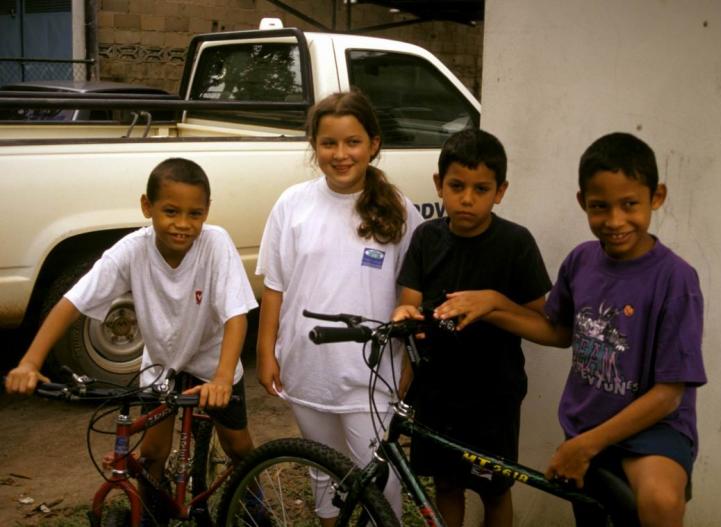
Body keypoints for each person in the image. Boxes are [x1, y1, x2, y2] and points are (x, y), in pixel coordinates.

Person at [434, 132, 707, 527]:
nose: (615, 221)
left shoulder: (676, 279)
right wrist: (493, 303)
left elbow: (668, 396)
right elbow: (558, 332)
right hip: (587, 423)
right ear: (582, 202)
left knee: (661, 502)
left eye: (629, 204)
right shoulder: (581, 261)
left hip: (651, 431)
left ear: (657, 197)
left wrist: (584, 447)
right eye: (600, 207)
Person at [4, 158, 259, 526]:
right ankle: (154, 515)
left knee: (239, 447)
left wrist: (222, 378)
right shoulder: (131, 250)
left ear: (207, 212)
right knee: (153, 453)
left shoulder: (215, 243)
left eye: (195, 213)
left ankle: (256, 503)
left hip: (212, 362)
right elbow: (72, 302)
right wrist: (30, 361)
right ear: (147, 206)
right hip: (161, 365)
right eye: (170, 211)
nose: (183, 224)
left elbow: (236, 316)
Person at [254, 90, 423, 523]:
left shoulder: (400, 210)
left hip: (371, 373)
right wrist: (265, 350)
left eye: (353, 142)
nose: (341, 154)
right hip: (307, 367)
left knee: (380, 481)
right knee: (323, 476)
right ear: (315, 147)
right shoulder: (292, 204)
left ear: (374, 144)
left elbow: (413, 290)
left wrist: (408, 361)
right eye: (329, 143)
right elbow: (274, 286)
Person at [392, 128, 552, 527]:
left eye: (481, 189)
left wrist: (492, 304)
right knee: (446, 484)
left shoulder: (516, 243)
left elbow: (544, 323)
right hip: (436, 390)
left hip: (493, 395)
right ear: (438, 185)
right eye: (457, 186)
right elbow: (408, 302)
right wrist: (405, 316)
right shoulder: (427, 238)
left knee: (494, 489)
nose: (467, 199)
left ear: (500, 191)